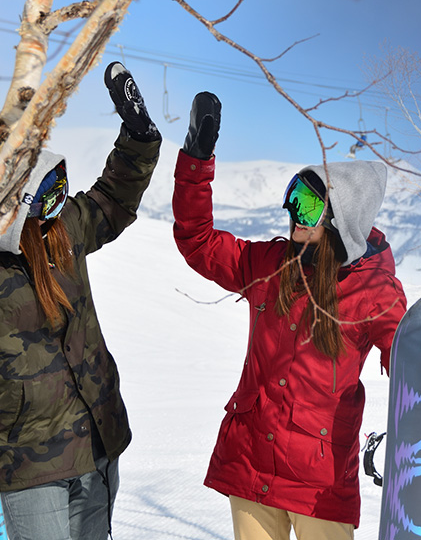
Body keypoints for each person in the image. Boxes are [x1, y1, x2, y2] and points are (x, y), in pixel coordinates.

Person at [172, 92, 407, 539]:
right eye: (294, 197)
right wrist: (196, 161)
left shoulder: (375, 291)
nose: (294, 211)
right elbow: (198, 242)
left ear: (343, 217)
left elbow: (413, 364)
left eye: (310, 204)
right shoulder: (272, 264)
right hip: (251, 464)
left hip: (319, 484)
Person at [0, 62, 161, 540]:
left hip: (98, 439)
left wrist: (139, 136)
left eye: (62, 189)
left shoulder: (61, 232)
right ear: (15, 201)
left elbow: (113, 197)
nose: (60, 205)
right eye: (48, 193)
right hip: (28, 465)